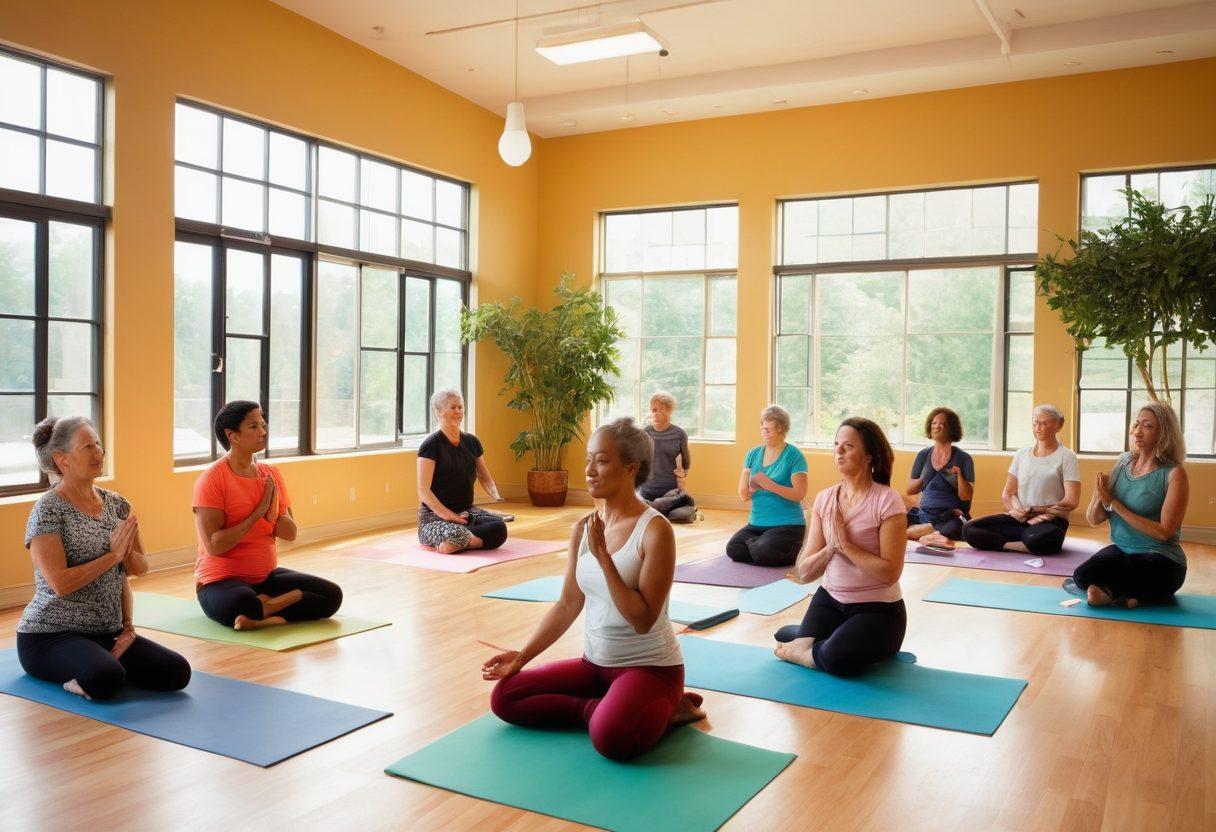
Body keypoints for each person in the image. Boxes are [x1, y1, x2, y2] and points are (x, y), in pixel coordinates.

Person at [483, 418, 705, 761]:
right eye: (588, 459)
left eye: (602, 461)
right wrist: (522, 656)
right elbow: (568, 603)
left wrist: (604, 558)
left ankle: (657, 707)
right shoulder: (583, 528)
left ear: (630, 469)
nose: (589, 470)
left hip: (650, 669)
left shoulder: (655, 531)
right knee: (506, 698)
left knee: (612, 740)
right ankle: (602, 710)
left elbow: (643, 620)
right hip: (594, 666)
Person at [18, 417, 191, 700]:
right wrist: (112, 556)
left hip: (106, 632)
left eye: (98, 443)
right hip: (50, 635)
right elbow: (60, 583)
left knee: (177, 672)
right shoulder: (48, 509)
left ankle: (105, 660)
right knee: (106, 678)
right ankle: (90, 673)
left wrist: (128, 625)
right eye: (88, 446)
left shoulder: (117, 504)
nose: (99, 452)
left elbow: (140, 567)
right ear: (63, 460)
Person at [774, 418, 909, 677]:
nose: (839, 451)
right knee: (791, 637)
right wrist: (829, 549)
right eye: (836, 445)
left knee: (836, 658)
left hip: (878, 609)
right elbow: (805, 572)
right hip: (830, 600)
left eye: (848, 446)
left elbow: (890, 573)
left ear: (869, 456)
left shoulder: (887, 501)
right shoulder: (825, 498)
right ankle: (812, 642)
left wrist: (845, 545)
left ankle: (810, 646)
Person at [193, 401, 342, 629]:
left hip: (265, 578)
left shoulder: (270, 474)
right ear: (232, 435)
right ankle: (278, 603)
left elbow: (290, 534)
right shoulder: (212, 479)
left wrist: (272, 513)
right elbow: (214, 546)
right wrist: (257, 513)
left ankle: (267, 617)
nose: (263, 432)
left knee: (331, 596)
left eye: (263, 425)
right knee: (243, 602)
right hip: (220, 582)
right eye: (254, 427)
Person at [1074, 402, 1189, 608]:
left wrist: (1114, 504)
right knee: (1082, 575)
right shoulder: (1123, 461)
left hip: (1160, 557)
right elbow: (1094, 520)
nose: (1137, 431)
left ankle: (1114, 592)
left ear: (1164, 433)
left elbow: (1165, 532)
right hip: (1123, 551)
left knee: (1155, 575)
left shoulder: (1174, 474)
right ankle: (1128, 597)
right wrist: (1098, 493)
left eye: (1147, 426)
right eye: (1136, 424)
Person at [962, 404, 1080, 555]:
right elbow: (1009, 493)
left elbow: (1071, 500)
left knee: (1037, 537)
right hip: (1020, 518)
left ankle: (1018, 542)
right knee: (969, 529)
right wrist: (1017, 510)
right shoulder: (1021, 454)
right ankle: (1019, 546)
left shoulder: (1067, 456)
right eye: (1036, 422)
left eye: (1044, 423)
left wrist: (1041, 512)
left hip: (1051, 519)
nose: (1038, 427)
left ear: (1059, 425)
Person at [416, 388, 508, 553]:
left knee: (498, 527)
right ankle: (466, 540)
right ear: (439, 411)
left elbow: (484, 476)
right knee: (456, 532)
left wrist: (496, 494)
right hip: (434, 517)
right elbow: (424, 492)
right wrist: (451, 517)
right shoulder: (430, 445)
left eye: (460, 407)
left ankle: (463, 543)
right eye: (453, 407)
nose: (458, 411)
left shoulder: (472, 442)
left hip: (466, 513)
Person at [726, 405, 808, 566]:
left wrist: (770, 485)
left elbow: (799, 494)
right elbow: (744, 496)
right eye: (763, 428)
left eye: (768, 429)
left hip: (788, 525)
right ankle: (760, 546)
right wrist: (754, 486)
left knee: (765, 551)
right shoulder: (753, 454)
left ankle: (775, 548)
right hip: (756, 524)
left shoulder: (794, 455)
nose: (764, 431)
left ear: (781, 428)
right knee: (734, 549)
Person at [906, 407, 975, 547]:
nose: (936, 427)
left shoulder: (963, 458)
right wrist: (924, 477)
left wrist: (959, 477)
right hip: (924, 514)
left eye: (941, 424)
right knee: (892, 522)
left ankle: (920, 533)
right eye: (933, 423)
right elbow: (910, 490)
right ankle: (930, 533)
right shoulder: (923, 455)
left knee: (955, 529)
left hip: (949, 515)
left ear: (951, 429)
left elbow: (966, 496)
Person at [638, 391, 697, 523]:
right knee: (642, 504)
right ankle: (655, 510)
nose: (655, 413)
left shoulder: (679, 434)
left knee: (682, 515)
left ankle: (651, 510)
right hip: (646, 491)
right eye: (653, 410)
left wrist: (680, 477)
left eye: (659, 410)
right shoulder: (645, 432)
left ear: (669, 410)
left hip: (670, 493)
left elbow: (686, 466)